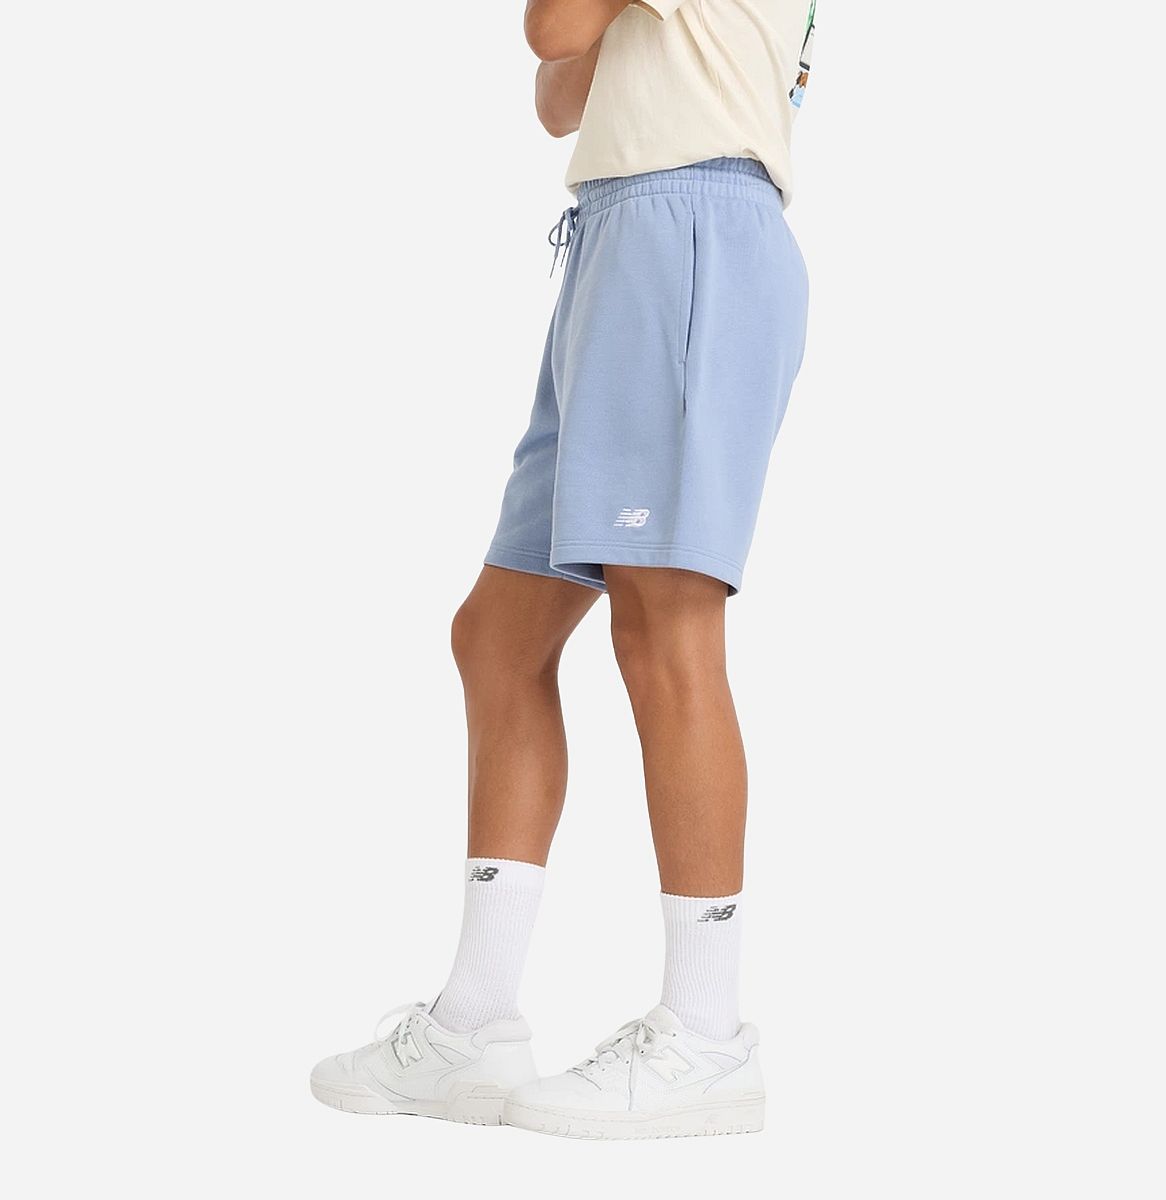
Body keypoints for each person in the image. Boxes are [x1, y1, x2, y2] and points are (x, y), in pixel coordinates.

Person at [310, 0, 814, 1139]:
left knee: (665, 625)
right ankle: (477, 1020)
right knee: (500, 634)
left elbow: (549, 30)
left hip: (688, 235)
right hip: (620, 239)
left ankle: (706, 1033)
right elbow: (561, 94)